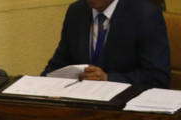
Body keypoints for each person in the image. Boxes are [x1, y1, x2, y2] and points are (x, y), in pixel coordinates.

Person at [42, 0, 170, 89]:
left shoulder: (145, 14)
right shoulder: (76, 11)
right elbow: (57, 65)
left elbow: (157, 77)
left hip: (124, 107)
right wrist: (37, 85)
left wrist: (107, 78)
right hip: (82, 104)